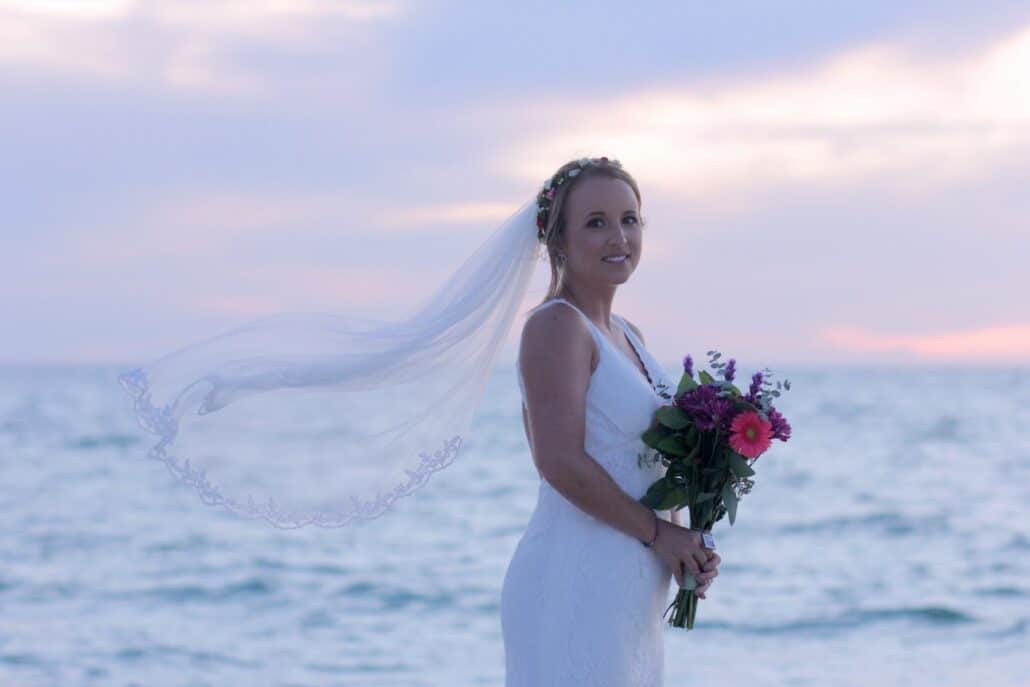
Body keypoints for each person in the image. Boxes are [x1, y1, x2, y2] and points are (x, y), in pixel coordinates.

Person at [500, 157, 721, 686]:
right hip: (576, 572)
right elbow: (557, 461)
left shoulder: (628, 334)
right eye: (595, 222)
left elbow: (650, 463)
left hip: (632, 583)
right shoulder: (556, 327)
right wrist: (657, 537)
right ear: (558, 241)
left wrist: (686, 544)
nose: (617, 235)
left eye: (629, 218)